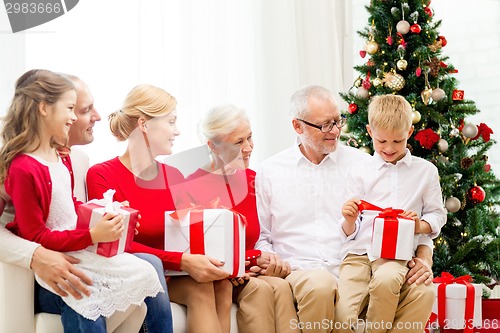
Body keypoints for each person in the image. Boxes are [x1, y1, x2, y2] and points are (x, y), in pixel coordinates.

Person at [255, 85, 436, 333]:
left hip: (361, 266)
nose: (336, 131)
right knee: (321, 285)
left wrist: (425, 257)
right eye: (325, 125)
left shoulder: (365, 164)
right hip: (302, 270)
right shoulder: (271, 171)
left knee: (423, 291)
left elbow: (407, 214)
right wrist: (271, 260)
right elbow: (262, 237)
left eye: (338, 121)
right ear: (298, 127)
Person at [0, 69, 162, 332]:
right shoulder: (21, 166)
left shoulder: (64, 157)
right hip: (48, 264)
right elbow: (37, 232)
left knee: (146, 273)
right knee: (85, 290)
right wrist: (91, 235)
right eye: (73, 108)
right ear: (44, 108)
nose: (77, 116)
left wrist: (109, 213)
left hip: (73, 250)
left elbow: (69, 205)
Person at [86, 84, 233, 333]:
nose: (177, 131)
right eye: (171, 122)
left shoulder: (173, 175)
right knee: (201, 290)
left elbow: (189, 233)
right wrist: (183, 261)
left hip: (173, 271)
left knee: (222, 284)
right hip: (137, 273)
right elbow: (117, 243)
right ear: (144, 124)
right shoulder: (102, 175)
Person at [183, 104, 299, 333]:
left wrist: (267, 261)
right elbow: (197, 248)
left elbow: (265, 234)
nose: (248, 148)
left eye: (250, 137)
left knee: (281, 287)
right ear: (212, 146)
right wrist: (252, 259)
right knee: (260, 290)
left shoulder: (254, 180)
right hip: (216, 277)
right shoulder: (189, 185)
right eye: (238, 142)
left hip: (248, 272)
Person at [337, 94, 446, 333]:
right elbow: (348, 231)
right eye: (381, 140)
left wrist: (421, 226)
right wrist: (349, 219)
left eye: (397, 141)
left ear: (410, 132)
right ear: (369, 131)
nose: (389, 148)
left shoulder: (425, 172)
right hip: (358, 254)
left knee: (387, 281)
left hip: (395, 253)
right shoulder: (359, 170)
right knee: (343, 316)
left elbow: (438, 214)